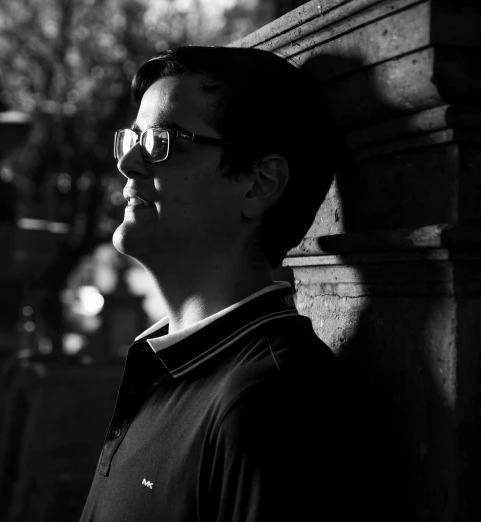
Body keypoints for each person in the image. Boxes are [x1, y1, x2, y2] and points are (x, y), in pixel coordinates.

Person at [80, 46, 365, 521]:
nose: (128, 163)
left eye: (162, 141)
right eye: (133, 138)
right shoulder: (169, 367)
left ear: (258, 183)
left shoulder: (275, 401)